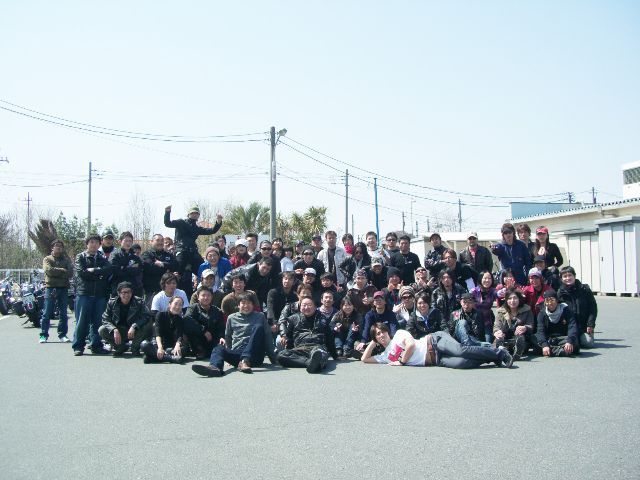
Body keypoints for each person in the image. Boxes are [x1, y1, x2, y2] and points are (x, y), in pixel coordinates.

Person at [192, 293, 276, 377]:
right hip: (238, 353)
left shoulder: (260, 316)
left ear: (253, 305)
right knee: (218, 347)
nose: (246, 306)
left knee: (258, 327)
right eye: (243, 303)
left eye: (249, 303)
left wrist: (273, 358)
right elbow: (228, 337)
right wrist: (229, 354)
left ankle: (245, 360)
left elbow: (267, 337)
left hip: (255, 354)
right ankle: (215, 368)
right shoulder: (231, 318)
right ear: (238, 305)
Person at [361, 323, 513, 369]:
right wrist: (373, 342)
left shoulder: (399, 334)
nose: (381, 335)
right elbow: (364, 359)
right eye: (378, 334)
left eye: (382, 331)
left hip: (434, 341)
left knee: (460, 350)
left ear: (388, 331)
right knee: (462, 363)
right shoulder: (385, 356)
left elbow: (411, 345)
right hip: (435, 360)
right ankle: (493, 358)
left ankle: (499, 353)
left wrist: (401, 361)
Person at [163, 205, 223, 298]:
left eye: (196, 213)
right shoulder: (181, 222)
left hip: (192, 253)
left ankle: (205, 291)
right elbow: (167, 223)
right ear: (188, 214)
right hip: (181, 251)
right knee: (177, 270)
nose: (194, 215)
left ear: (198, 215)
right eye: (192, 213)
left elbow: (212, 230)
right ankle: (171, 291)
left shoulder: (197, 228)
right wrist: (167, 212)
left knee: (204, 268)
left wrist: (218, 221)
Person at [72, 234, 113, 356]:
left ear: (100, 244)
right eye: (91, 242)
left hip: (99, 294)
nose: (94, 245)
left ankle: (96, 345)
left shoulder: (101, 257)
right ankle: (78, 346)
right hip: (84, 293)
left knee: (98, 321)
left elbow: (108, 270)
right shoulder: (80, 257)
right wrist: (99, 274)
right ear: (87, 244)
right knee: (82, 321)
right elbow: (82, 273)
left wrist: (94, 270)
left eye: (96, 242)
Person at [277, 297, 336, 373]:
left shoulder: (323, 318)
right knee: (281, 355)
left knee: (321, 353)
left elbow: (329, 337)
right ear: (300, 307)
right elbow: (288, 336)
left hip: (317, 347)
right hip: (300, 349)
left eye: (309, 305)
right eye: (304, 305)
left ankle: (314, 361)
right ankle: (310, 363)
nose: (306, 307)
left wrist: (335, 355)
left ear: (315, 307)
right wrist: (285, 338)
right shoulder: (293, 318)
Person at [98, 281, 151, 356]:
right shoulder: (112, 303)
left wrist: (134, 326)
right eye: (124, 292)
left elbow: (146, 316)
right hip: (119, 330)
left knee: (148, 325)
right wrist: (114, 329)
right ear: (119, 293)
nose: (126, 295)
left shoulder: (139, 302)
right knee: (102, 329)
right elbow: (105, 318)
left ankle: (135, 348)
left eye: (129, 292)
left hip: (135, 331)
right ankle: (120, 347)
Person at [38, 239, 74, 344]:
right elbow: (49, 271)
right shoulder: (47, 259)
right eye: (56, 245)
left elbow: (70, 273)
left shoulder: (66, 260)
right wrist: (62, 270)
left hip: (63, 288)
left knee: (63, 313)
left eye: (60, 246)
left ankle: (62, 335)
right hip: (51, 288)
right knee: (47, 312)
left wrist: (56, 272)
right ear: (52, 248)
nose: (58, 247)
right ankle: (43, 335)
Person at [557, 266, 597, 349]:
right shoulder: (560, 292)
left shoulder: (585, 289)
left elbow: (593, 308)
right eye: (565, 276)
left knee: (588, 343)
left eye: (570, 275)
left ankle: (580, 338)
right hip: (568, 328)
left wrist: (590, 324)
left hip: (583, 326)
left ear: (574, 276)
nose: (568, 278)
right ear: (561, 279)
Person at [141, 296, 185, 364]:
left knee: (183, 350)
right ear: (170, 304)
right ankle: (171, 358)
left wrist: (177, 346)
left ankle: (152, 357)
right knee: (144, 344)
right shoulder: (160, 314)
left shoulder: (180, 320)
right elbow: (157, 332)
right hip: (157, 343)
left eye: (180, 305)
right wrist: (160, 348)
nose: (177, 307)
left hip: (169, 346)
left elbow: (179, 335)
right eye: (175, 304)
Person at [183, 286, 224, 358]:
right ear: (198, 297)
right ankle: (199, 350)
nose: (206, 298)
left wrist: (221, 337)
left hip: (211, 340)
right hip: (197, 340)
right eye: (203, 295)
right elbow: (187, 319)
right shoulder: (193, 308)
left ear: (212, 297)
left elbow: (220, 327)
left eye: (208, 295)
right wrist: (204, 330)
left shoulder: (217, 311)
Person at [494, 288, 535, 359]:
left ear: (519, 299)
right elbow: (496, 325)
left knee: (520, 338)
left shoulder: (527, 310)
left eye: (515, 298)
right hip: (506, 337)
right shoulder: (500, 311)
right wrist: (497, 332)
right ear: (506, 300)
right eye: (509, 298)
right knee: (499, 337)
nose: (512, 301)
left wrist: (525, 327)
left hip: (521, 338)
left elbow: (531, 325)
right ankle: (502, 352)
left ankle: (517, 353)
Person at [536, 290, 578, 357]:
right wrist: (544, 345)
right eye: (547, 301)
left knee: (574, 341)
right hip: (549, 339)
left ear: (557, 300)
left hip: (563, 338)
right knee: (534, 339)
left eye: (552, 300)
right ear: (545, 302)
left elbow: (572, 326)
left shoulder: (566, 310)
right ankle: (560, 351)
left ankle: (550, 351)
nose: (550, 303)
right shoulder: (542, 313)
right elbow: (540, 330)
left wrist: (569, 341)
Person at [141, 233, 178, 309]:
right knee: (151, 313)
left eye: (162, 240)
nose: (160, 242)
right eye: (157, 240)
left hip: (168, 291)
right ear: (151, 242)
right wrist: (167, 270)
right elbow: (150, 268)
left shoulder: (169, 255)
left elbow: (175, 266)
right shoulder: (146, 254)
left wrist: (162, 264)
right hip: (151, 291)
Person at [109, 231, 143, 297]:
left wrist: (123, 268)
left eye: (130, 241)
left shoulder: (135, 257)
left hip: (133, 289)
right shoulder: (115, 255)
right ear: (120, 241)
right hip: (118, 290)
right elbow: (115, 270)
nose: (128, 243)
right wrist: (130, 268)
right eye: (126, 241)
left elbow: (138, 271)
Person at [470, 270, 499, 342]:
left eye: (489, 278)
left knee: (488, 341)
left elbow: (498, 294)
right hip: (475, 321)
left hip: (487, 321)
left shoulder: (493, 291)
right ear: (480, 279)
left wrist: (502, 292)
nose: (487, 280)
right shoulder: (474, 291)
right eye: (485, 278)